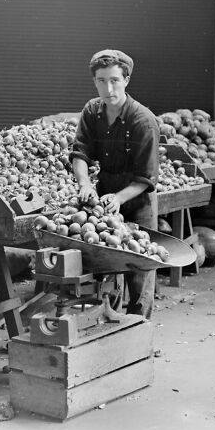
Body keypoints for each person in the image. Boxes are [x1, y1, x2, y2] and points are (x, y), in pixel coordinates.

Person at [70, 49, 160, 318]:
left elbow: (146, 178)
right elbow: (80, 152)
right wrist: (85, 184)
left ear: (126, 80)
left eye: (114, 80)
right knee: (105, 261)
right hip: (105, 195)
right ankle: (109, 321)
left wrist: (120, 198)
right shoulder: (92, 111)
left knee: (139, 268)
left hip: (137, 199)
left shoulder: (143, 121)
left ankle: (139, 328)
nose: (108, 89)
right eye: (101, 81)